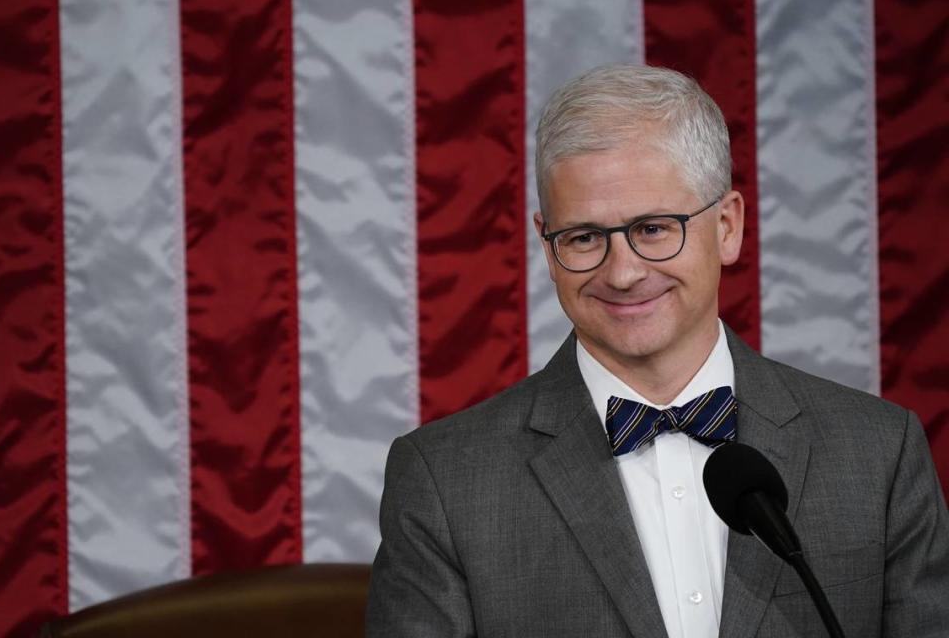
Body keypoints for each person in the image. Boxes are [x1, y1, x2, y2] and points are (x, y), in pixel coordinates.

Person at [365, 64, 949, 637]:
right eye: (585, 237)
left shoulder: (878, 453)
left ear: (727, 227)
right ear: (547, 246)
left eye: (652, 228)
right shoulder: (444, 480)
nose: (622, 273)